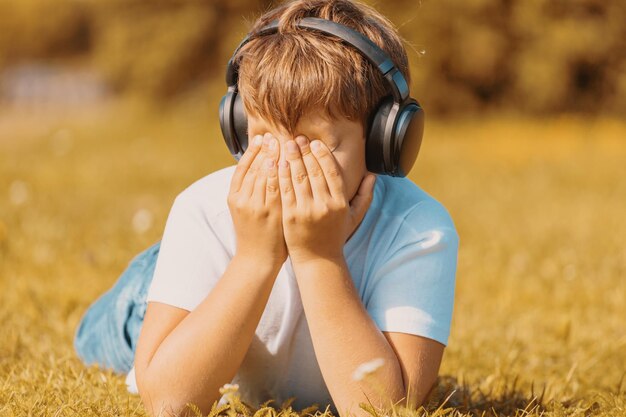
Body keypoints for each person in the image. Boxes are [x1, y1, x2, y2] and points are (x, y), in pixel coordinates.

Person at [73, 1, 459, 416]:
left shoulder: (419, 231)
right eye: (263, 138)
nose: (285, 163)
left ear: (385, 142)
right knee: (102, 338)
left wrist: (319, 258)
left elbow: (384, 410)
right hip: (183, 289)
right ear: (238, 127)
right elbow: (170, 404)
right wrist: (255, 257)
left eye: (315, 142)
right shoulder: (203, 211)